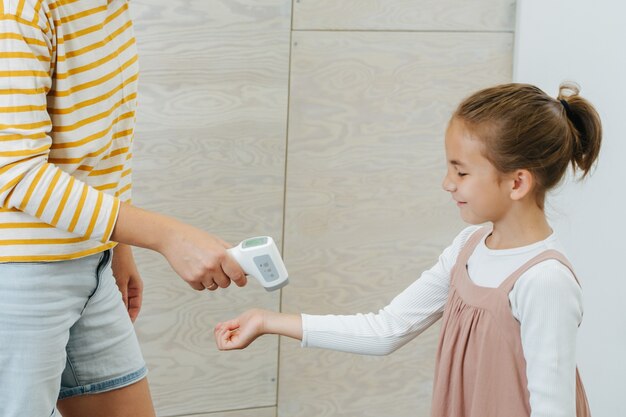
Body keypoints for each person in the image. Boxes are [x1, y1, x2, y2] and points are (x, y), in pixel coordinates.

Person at [214, 83, 602, 417]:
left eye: (461, 172)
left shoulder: (544, 280)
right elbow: (387, 328)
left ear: (517, 183)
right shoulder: (466, 250)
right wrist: (268, 321)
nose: (447, 183)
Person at [0, 1, 246, 416]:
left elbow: (102, 141)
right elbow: (14, 169)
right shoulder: (20, 11)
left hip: (87, 260)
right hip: (19, 276)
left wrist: (118, 244)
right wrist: (166, 235)